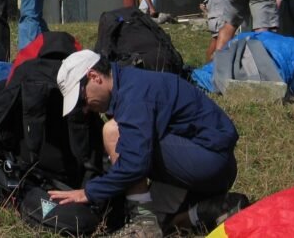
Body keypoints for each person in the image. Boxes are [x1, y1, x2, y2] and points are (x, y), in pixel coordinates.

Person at [50, 50, 243, 236]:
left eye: (82, 99)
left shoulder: (134, 96)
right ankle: (219, 207)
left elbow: (135, 163)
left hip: (210, 161)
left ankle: (143, 223)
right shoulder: (130, 83)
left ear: (94, 76)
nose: (84, 109)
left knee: (113, 132)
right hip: (209, 162)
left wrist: (88, 192)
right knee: (160, 222)